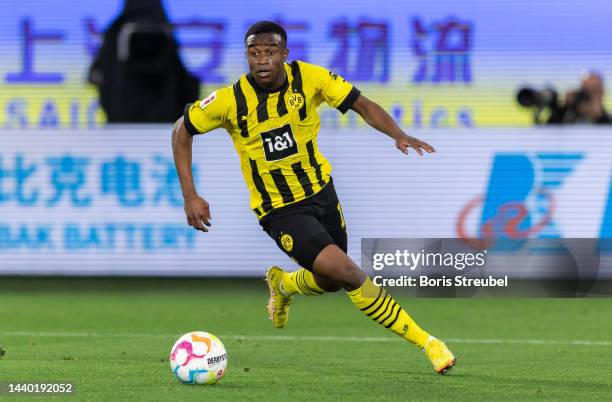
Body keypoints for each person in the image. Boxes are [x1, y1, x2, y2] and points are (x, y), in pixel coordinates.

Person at [172, 21, 456, 374]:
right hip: (279, 209)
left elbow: (362, 104)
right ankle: (429, 343)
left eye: (270, 52)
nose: (262, 61)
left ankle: (283, 283)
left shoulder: (310, 78)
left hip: (322, 194)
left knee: (332, 281)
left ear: (285, 55)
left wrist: (397, 134)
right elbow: (181, 131)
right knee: (350, 273)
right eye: (254, 53)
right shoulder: (230, 100)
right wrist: (190, 194)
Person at [89, 0, 199, 123]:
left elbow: (95, 75)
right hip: (163, 123)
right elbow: (184, 84)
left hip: (122, 123)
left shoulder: (116, 31)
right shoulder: (165, 30)